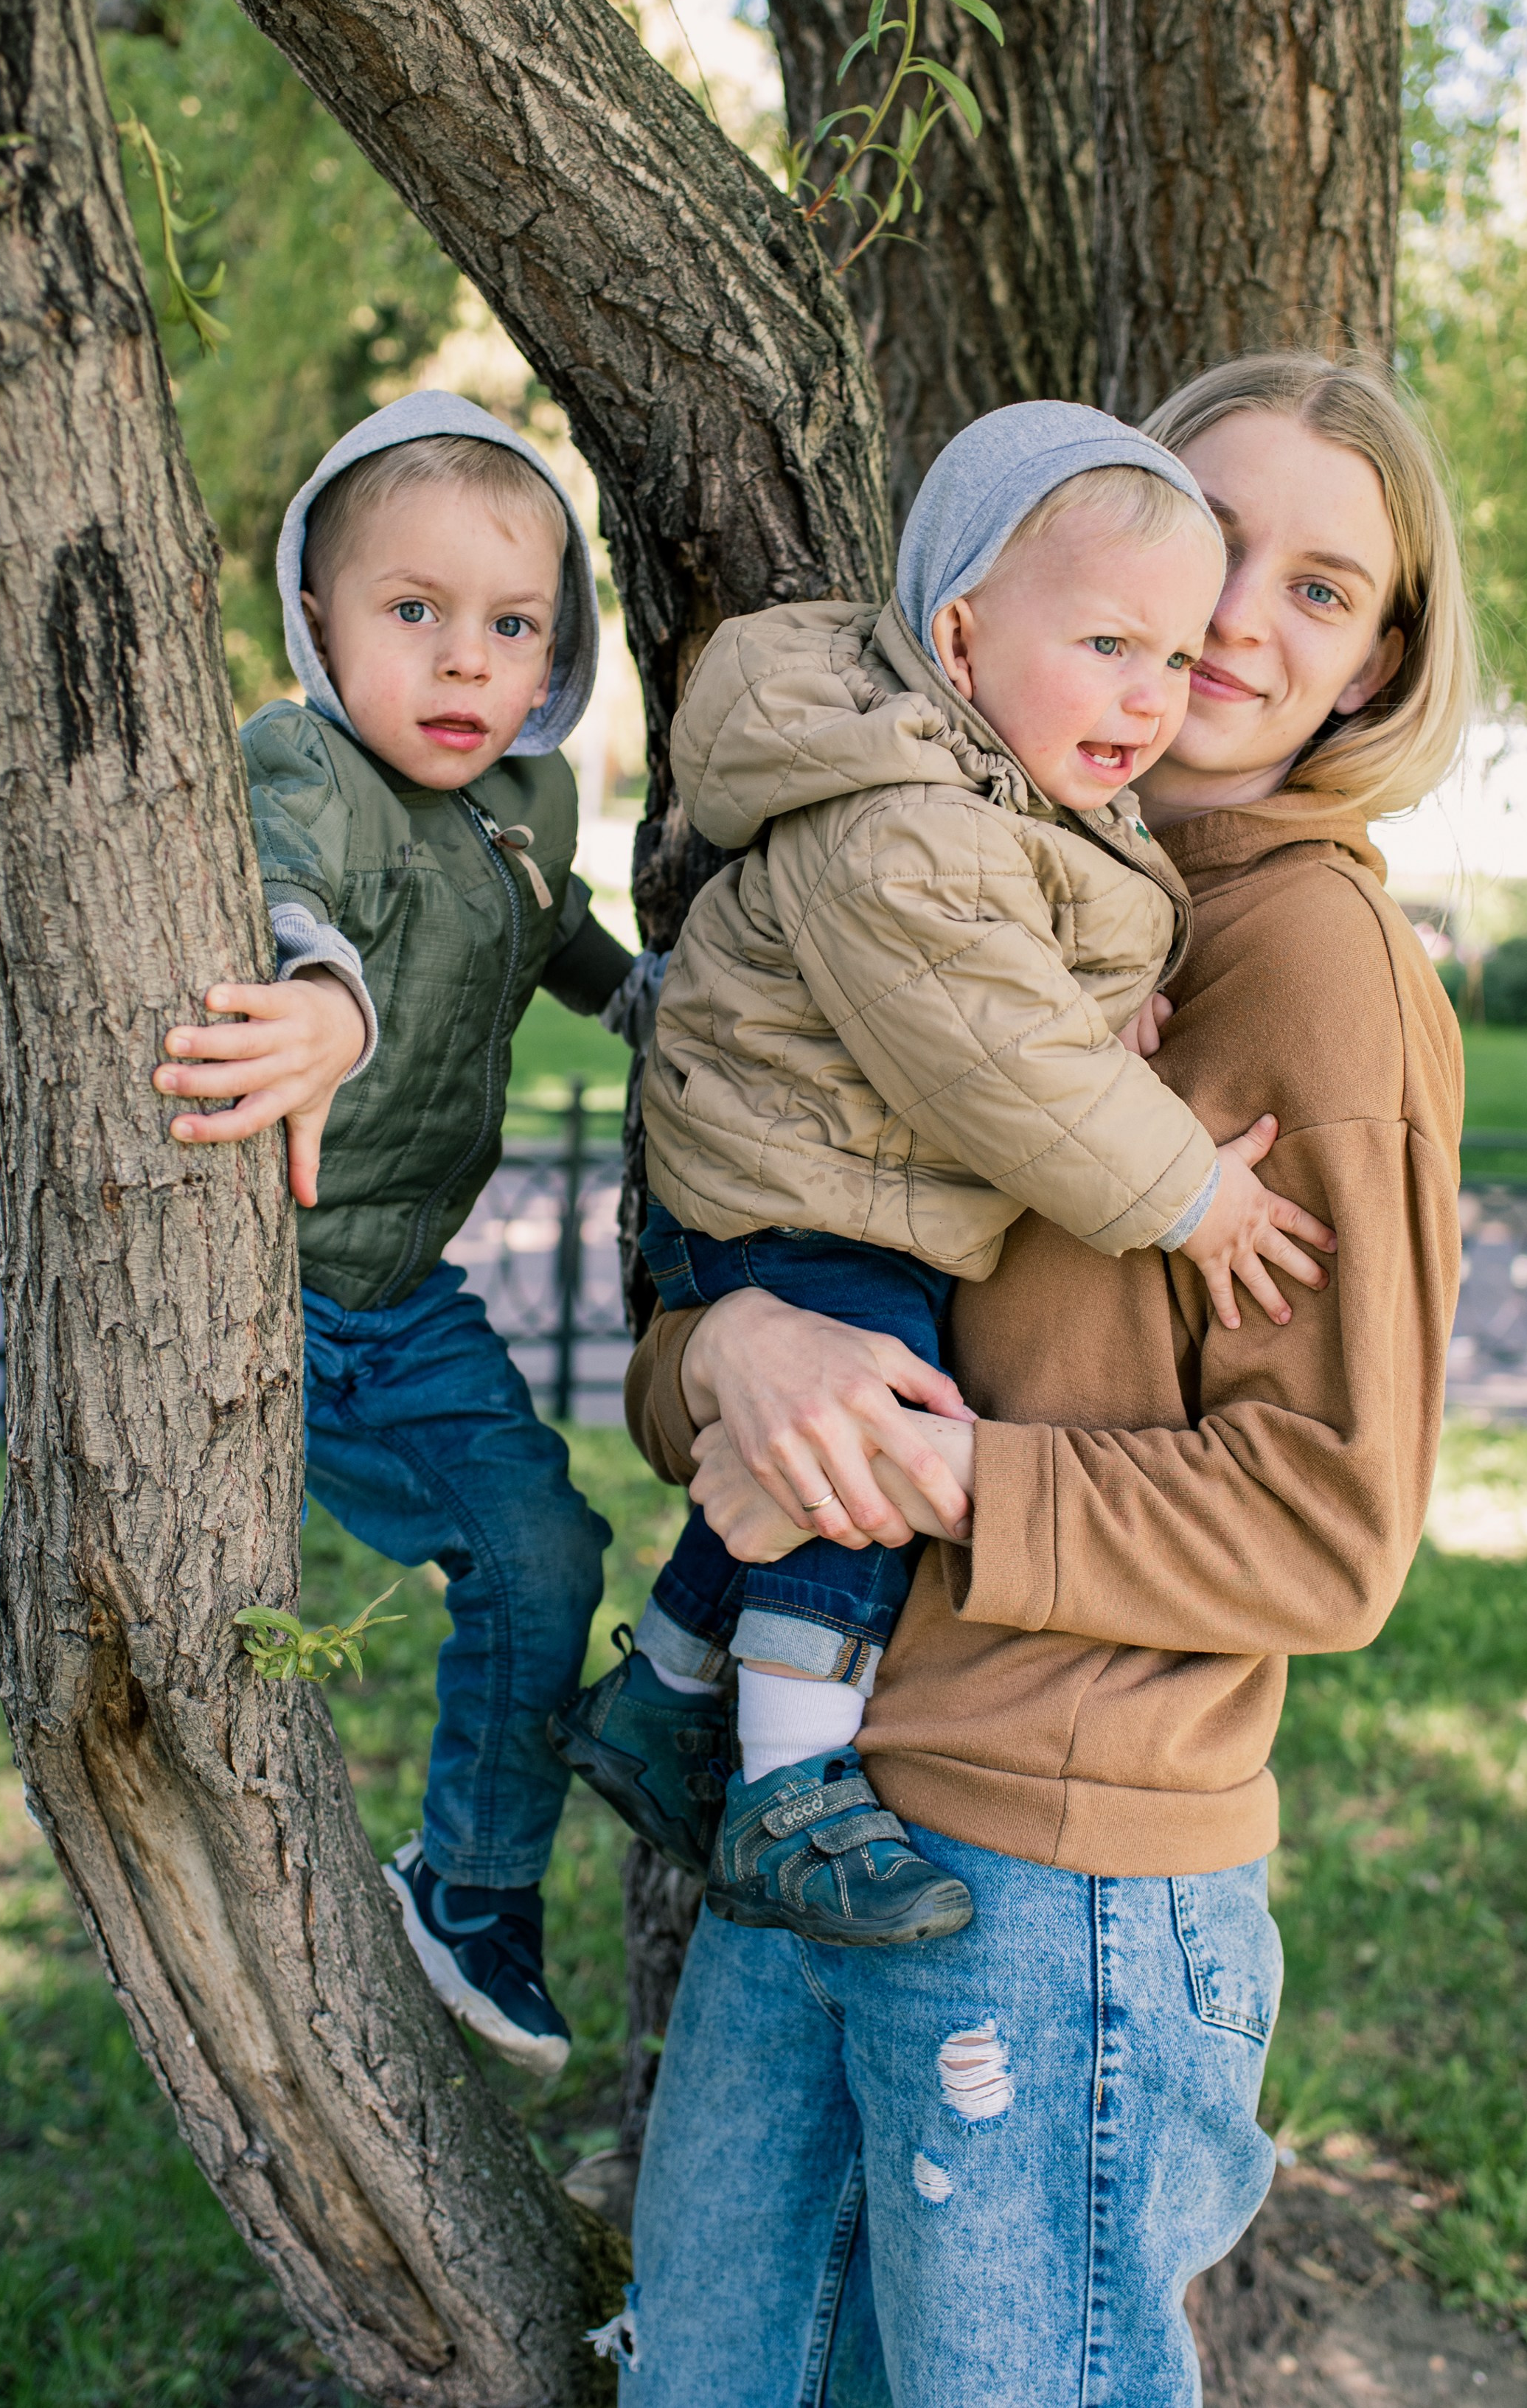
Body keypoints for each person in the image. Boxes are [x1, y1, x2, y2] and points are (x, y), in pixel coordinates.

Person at [608, 354, 1475, 2404]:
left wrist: (922, 1473)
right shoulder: (928, 862)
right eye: (1212, 534)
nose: (1238, 622)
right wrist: (729, 1343)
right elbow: (731, 1329)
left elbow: (1328, 1536)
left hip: (1060, 1891)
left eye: (1322, 589)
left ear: (1373, 670)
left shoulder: (1306, 968)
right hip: (802, 1800)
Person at [554, 406, 1335, 1948]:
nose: (1151, 694)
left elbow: (1009, 980)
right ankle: (785, 1792)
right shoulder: (904, 819)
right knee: (877, 1448)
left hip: (825, 1182)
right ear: (962, 638)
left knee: (833, 1432)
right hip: (797, 1193)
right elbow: (1010, 1070)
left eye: (1172, 662)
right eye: (1111, 643)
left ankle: (661, 1695)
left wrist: (1097, 978)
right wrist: (1198, 1197)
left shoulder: (983, 785)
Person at [150, 391, 664, 2074]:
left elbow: (550, 925)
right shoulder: (307, 764)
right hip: (276, 1287)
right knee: (496, 1566)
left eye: (510, 624)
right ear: (317, 615)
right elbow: (300, 902)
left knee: (553, 1556)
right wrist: (324, 1005)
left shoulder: (525, 802)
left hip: (403, 1294)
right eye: (413, 612)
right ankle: (471, 1891)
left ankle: (464, 1885)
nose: (463, 663)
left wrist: (647, 1001)